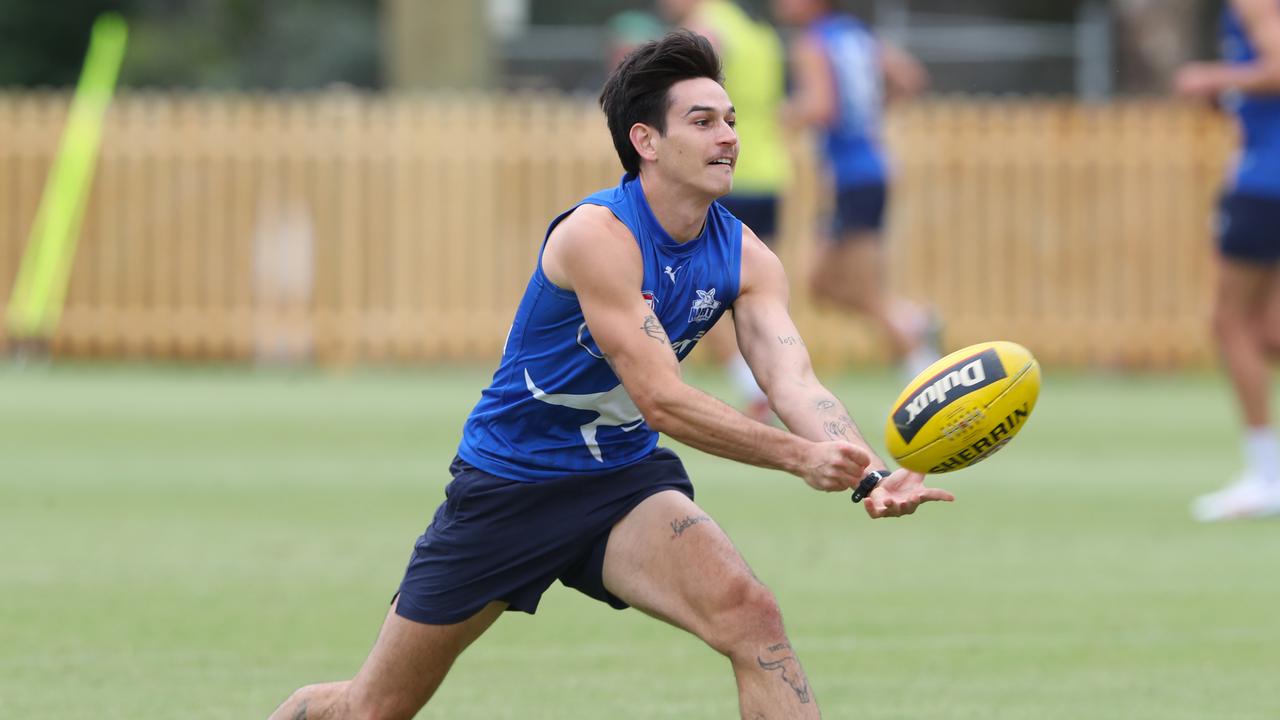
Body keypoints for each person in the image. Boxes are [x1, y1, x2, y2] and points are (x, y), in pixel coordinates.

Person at [268, 31, 953, 720]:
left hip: (620, 487)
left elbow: (794, 381)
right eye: (703, 121)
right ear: (646, 142)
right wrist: (799, 457)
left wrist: (869, 472)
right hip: (510, 488)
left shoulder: (746, 255)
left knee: (752, 618)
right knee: (370, 710)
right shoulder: (598, 236)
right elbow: (662, 400)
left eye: (732, 121)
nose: (729, 138)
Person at [770, 0, 939, 377]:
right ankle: (912, 319)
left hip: (851, 175)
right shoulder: (856, 34)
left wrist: (771, 118)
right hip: (869, 170)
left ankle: (920, 362)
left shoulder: (811, 43)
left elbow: (820, 107)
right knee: (822, 283)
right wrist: (869, 116)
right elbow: (909, 77)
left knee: (858, 288)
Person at [658, 0, 791, 422]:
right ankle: (775, 384)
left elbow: (680, 92)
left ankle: (754, 389)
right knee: (753, 291)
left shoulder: (707, 26)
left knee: (701, 293)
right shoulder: (759, 31)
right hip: (766, 170)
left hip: (716, 173)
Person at [1176, 0, 1280, 521]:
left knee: (1231, 319)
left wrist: (1208, 76)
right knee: (1265, 329)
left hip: (1267, 181)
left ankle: (1267, 477)